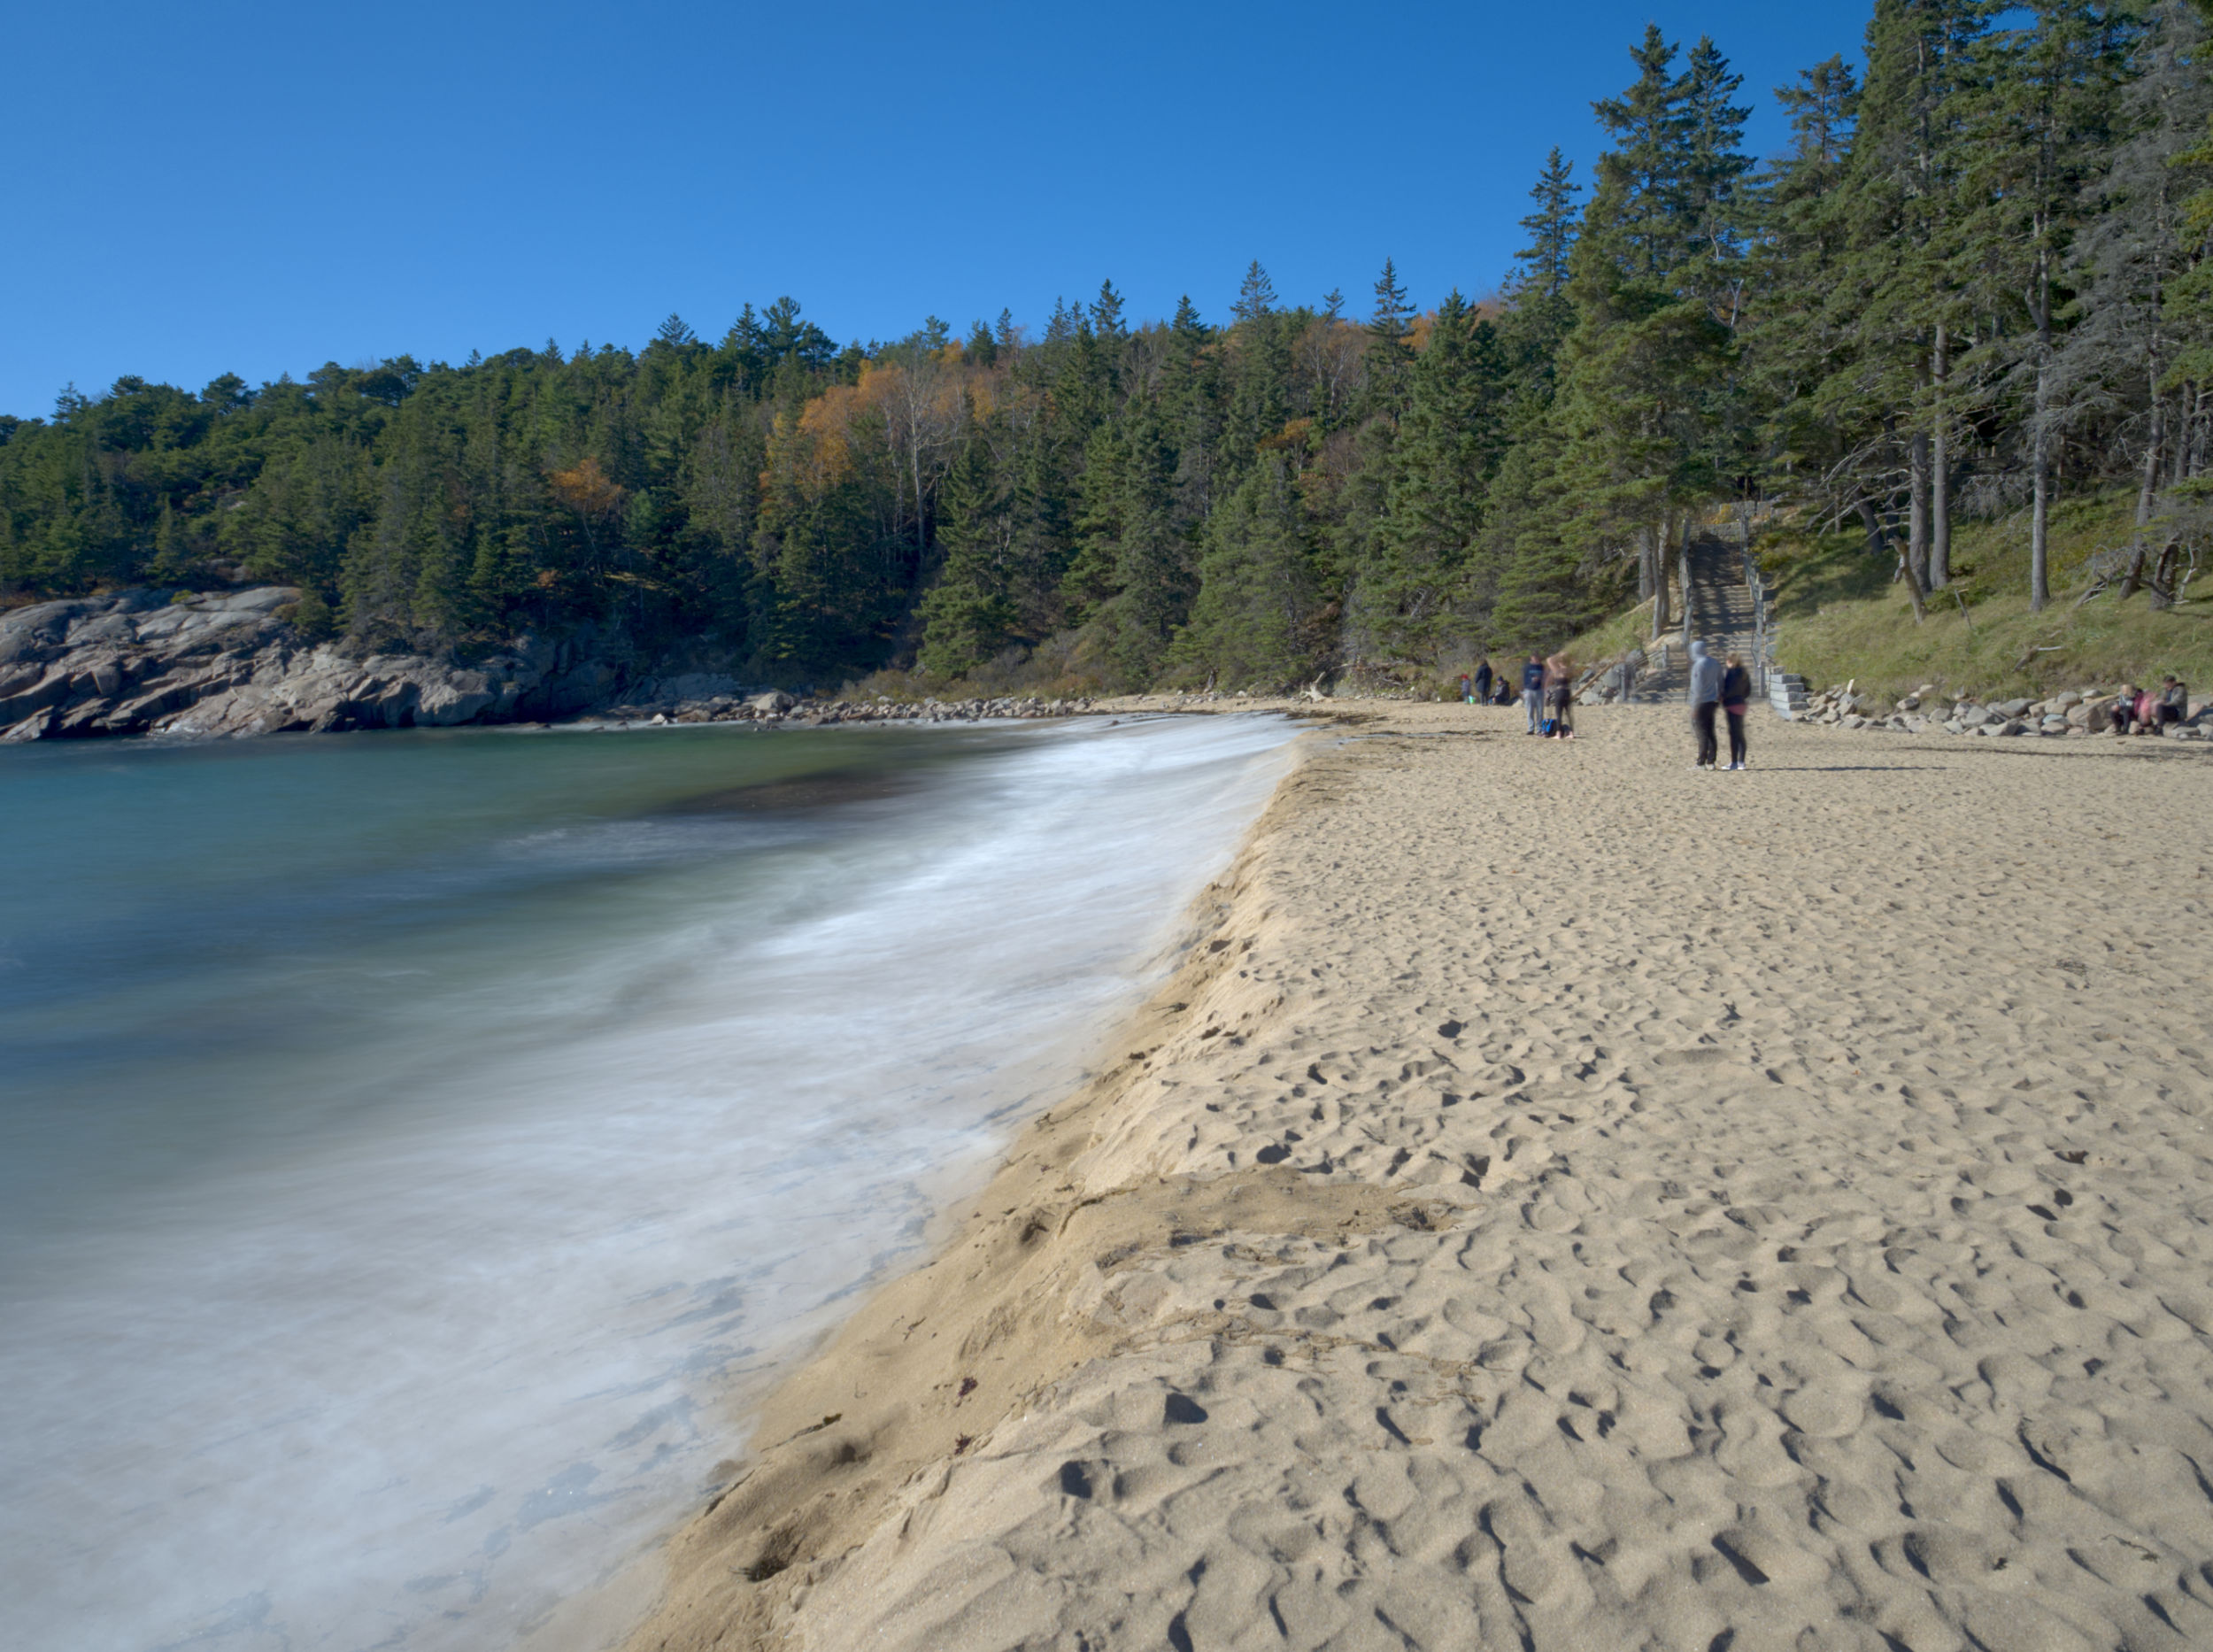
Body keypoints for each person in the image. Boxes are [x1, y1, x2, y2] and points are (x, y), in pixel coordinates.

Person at [1688, 639, 1723, 768]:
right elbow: (1721, 680)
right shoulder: (1714, 662)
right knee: (1710, 731)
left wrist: (1695, 706)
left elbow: (1697, 688)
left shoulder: (1699, 665)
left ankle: (1701, 762)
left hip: (1701, 702)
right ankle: (1711, 761)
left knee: (1701, 732)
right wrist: (1720, 694)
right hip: (1713, 701)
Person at [1720, 652, 1752, 769]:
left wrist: (1723, 698)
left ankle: (1734, 762)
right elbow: (1748, 691)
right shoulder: (1744, 672)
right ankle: (1742, 762)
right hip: (1741, 703)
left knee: (1733, 734)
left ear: (1729, 661)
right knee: (1740, 734)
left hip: (1731, 704)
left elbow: (1728, 689)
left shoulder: (1730, 672)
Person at [1544, 653, 1576, 738]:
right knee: (1568, 714)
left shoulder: (1557, 670)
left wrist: (1559, 654)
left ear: (1559, 662)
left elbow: (1549, 659)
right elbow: (1573, 662)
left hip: (1559, 692)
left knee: (1558, 713)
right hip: (1567, 691)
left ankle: (1558, 734)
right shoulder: (1569, 670)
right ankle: (1571, 733)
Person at [1520, 654, 1545, 734]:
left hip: (1540, 690)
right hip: (1529, 690)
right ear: (1531, 658)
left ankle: (1539, 728)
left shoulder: (1541, 667)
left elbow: (1545, 677)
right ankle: (1531, 728)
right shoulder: (1527, 667)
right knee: (1530, 710)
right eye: (1535, 658)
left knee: (1540, 711)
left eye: (1538, 658)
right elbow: (1524, 679)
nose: (1537, 660)